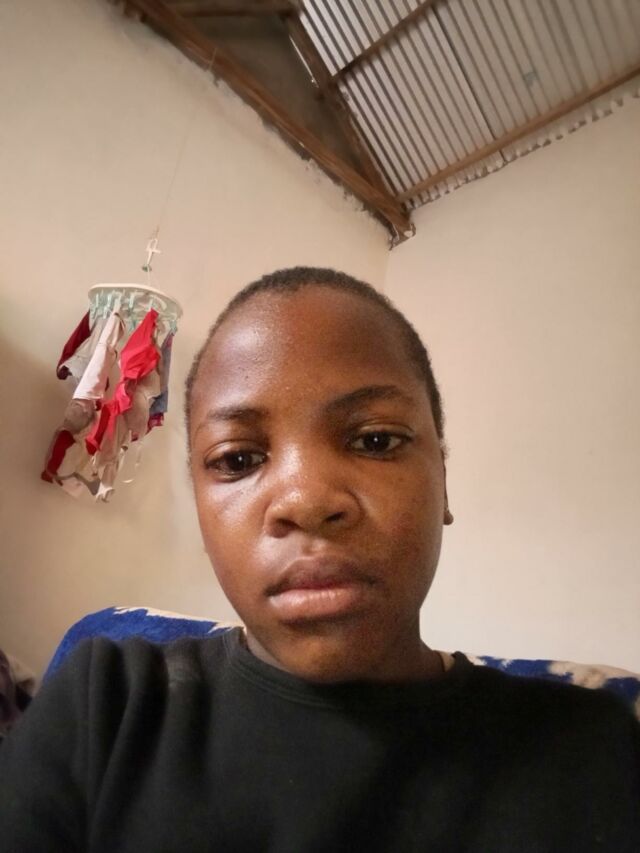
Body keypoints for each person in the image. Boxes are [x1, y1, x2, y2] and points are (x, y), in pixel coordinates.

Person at [0, 267, 638, 851]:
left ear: (443, 483)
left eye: (375, 440)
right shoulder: (106, 703)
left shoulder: (595, 752)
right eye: (238, 459)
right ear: (199, 506)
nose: (305, 501)